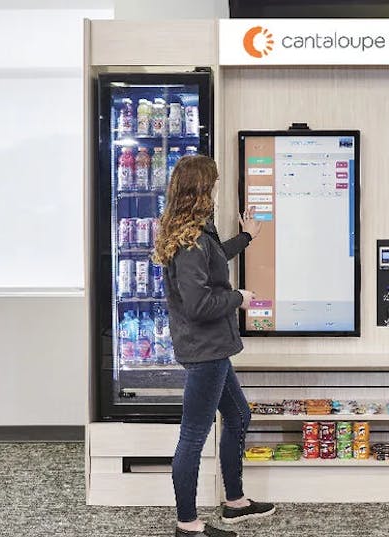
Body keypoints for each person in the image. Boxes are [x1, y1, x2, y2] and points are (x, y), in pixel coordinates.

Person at [152, 155, 275, 537]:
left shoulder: (196, 233)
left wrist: (247, 236)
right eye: (214, 186)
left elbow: (214, 260)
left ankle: (235, 502)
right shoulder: (190, 243)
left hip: (214, 349)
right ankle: (187, 524)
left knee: (239, 417)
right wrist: (239, 297)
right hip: (205, 351)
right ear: (202, 191)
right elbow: (199, 304)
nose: (217, 193)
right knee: (192, 436)